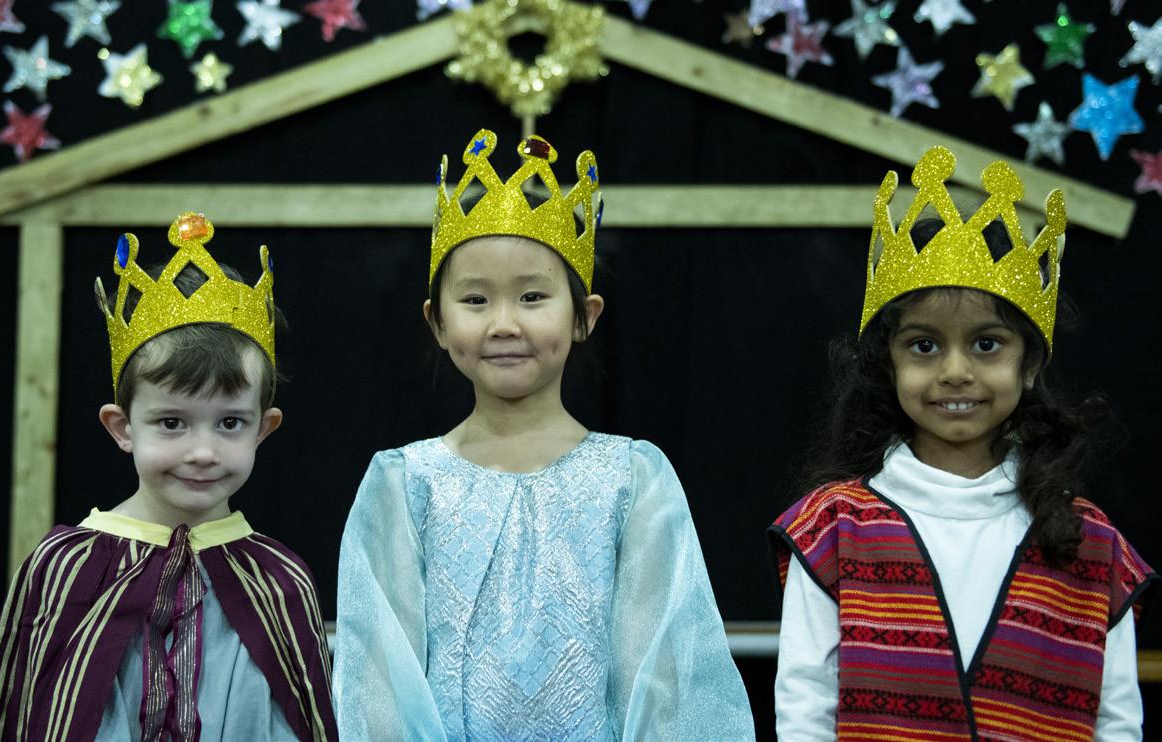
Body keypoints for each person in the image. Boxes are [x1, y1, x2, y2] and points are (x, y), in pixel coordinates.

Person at [332, 129, 755, 740]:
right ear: (437, 322)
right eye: (475, 300)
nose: (504, 324)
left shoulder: (632, 480)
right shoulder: (404, 485)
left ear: (585, 316)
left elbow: (666, 674)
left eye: (533, 296)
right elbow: (380, 681)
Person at [769, 146, 1158, 741]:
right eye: (924, 346)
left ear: (1030, 364)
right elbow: (806, 713)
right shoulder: (833, 529)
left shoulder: (1092, 544)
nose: (955, 372)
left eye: (987, 344)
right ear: (889, 364)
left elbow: (1118, 724)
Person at [0, 213, 336, 742]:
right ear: (122, 428)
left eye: (230, 423)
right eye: (171, 423)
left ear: (264, 428)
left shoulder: (281, 583)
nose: (202, 452)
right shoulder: (60, 568)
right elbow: (13, 718)